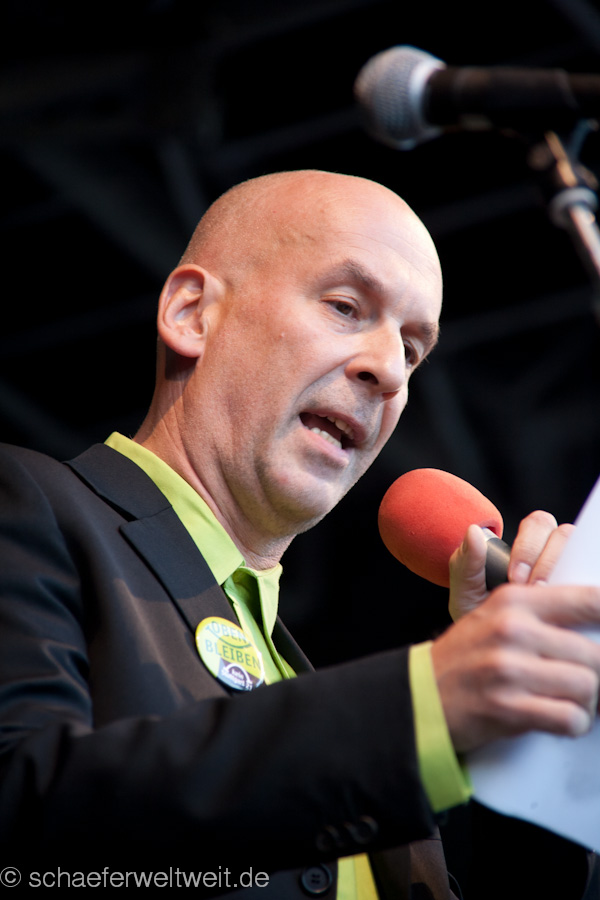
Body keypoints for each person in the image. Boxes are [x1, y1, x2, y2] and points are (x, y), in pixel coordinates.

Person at [0, 169, 598, 899]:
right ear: (191, 313)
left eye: (413, 350)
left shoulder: (318, 695)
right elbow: (24, 818)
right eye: (346, 307)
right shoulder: (24, 504)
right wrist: (425, 706)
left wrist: (533, 728)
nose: (390, 372)